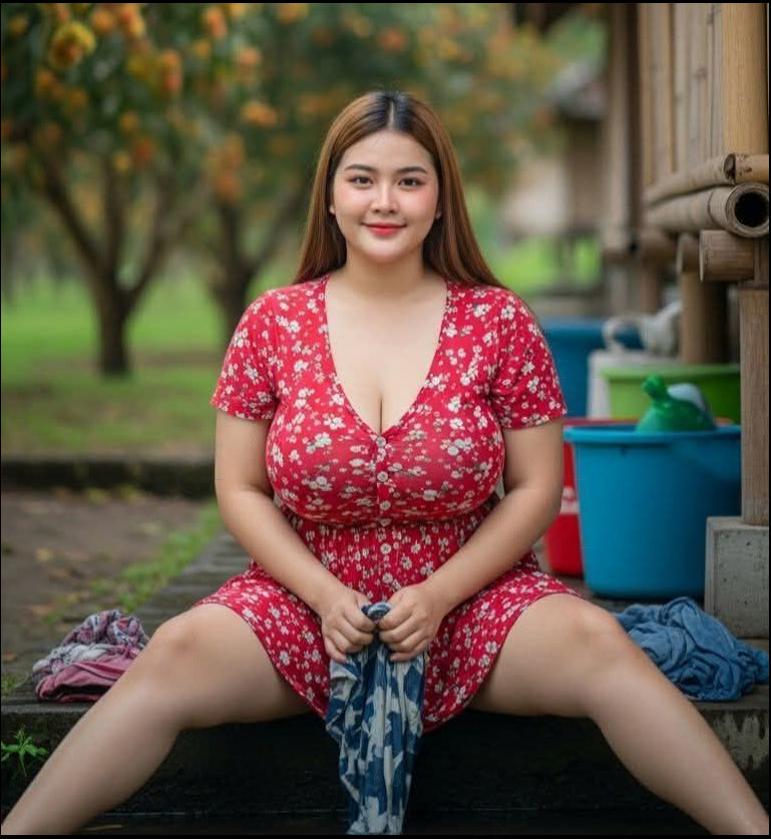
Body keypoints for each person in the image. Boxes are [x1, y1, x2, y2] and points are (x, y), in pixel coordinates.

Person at [2, 89, 767, 836]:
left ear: (440, 198)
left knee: (599, 642)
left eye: (409, 180)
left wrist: (435, 596)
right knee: (176, 650)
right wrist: (323, 594)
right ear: (330, 196)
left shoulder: (496, 320)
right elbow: (238, 487)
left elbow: (535, 489)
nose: (384, 201)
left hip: (472, 601)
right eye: (361, 179)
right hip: (302, 604)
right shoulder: (273, 321)